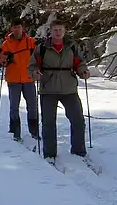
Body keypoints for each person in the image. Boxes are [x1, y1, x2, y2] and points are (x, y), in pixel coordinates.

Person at [28, 19, 90, 159]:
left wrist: (83, 71)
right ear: (50, 31)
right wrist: (34, 73)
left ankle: (79, 151)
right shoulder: (42, 48)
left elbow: (79, 63)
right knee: (48, 123)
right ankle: (49, 154)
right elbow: (32, 65)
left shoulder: (71, 47)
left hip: (69, 88)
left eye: (60, 30)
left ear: (64, 31)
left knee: (78, 120)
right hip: (48, 88)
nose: (58, 32)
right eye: (55, 30)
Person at [0, 18, 38, 141]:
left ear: (22, 28)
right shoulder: (6, 44)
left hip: (29, 78)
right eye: (14, 27)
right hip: (13, 79)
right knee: (14, 106)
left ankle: (34, 131)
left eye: (18, 27)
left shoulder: (31, 42)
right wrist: (3, 61)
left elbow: (40, 55)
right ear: (11, 29)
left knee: (32, 106)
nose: (17, 29)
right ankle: (15, 131)